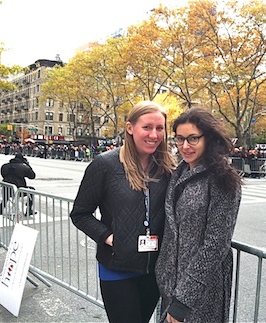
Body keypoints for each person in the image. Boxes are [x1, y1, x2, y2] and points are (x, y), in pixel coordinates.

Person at [70, 101, 176, 323]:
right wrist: (109, 238)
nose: (154, 135)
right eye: (147, 127)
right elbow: (80, 214)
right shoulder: (105, 165)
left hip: (154, 269)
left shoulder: (168, 167)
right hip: (117, 267)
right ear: (130, 128)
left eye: (160, 128)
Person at [155, 107, 242, 323]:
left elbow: (215, 244)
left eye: (193, 138)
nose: (185, 146)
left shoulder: (222, 179)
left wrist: (184, 299)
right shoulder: (179, 172)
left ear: (208, 138)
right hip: (171, 283)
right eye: (180, 139)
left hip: (200, 292)